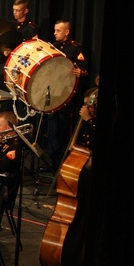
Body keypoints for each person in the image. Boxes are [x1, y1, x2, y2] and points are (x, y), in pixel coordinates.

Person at [48, 19, 89, 166]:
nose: (55, 33)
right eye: (54, 30)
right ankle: (52, 163)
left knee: (65, 133)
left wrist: (81, 72)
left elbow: (83, 68)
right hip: (54, 95)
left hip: (68, 97)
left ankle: (63, 163)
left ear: (67, 32)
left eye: (58, 30)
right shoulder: (53, 47)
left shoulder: (75, 48)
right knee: (52, 132)